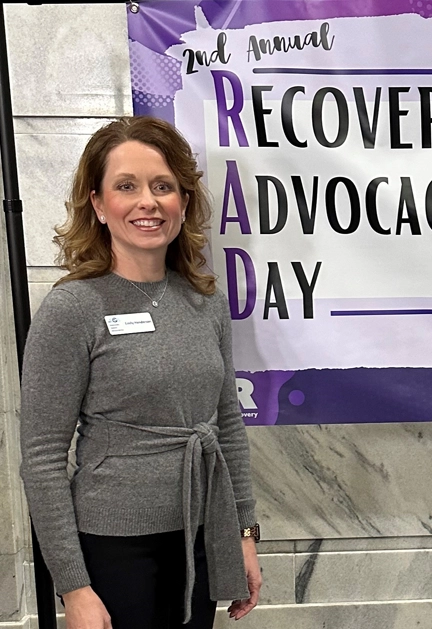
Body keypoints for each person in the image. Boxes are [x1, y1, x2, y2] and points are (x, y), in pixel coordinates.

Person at [19, 116, 262, 628]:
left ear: (183, 202)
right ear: (98, 204)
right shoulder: (72, 309)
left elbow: (227, 425)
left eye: (163, 186)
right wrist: (74, 588)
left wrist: (243, 533)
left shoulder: (206, 301)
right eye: (126, 186)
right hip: (114, 547)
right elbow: (41, 459)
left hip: (200, 533)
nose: (147, 202)